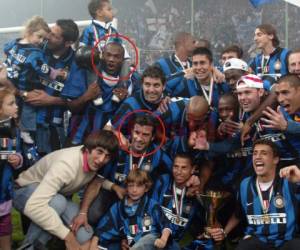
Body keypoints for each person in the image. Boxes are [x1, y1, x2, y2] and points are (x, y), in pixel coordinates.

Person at [13, 130, 119, 250]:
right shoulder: (66, 165)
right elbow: (34, 206)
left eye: (107, 156)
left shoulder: (91, 160)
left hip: (55, 196)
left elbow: (95, 179)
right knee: (58, 203)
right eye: (99, 152)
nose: (101, 160)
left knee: (84, 234)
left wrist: (114, 187)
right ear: (88, 148)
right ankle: (30, 247)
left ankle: (50, 242)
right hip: (24, 191)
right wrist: (68, 237)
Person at [209, 139, 300, 250]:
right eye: (255, 153)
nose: (258, 156)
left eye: (264, 153)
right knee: (245, 245)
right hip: (257, 241)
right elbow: (238, 214)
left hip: (287, 242)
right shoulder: (245, 184)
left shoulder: (289, 181)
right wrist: (224, 232)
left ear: (275, 159)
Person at [3, 16, 66, 159]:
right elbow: (43, 69)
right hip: (24, 86)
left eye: (44, 38)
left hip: (11, 83)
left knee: (13, 108)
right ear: (29, 32)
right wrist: (56, 73)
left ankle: (16, 135)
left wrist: (12, 63)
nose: (41, 41)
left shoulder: (15, 43)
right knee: (29, 105)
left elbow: (6, 49)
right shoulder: (34, 52)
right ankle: (25, 131)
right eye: (39, 37)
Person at [95, 169, 172, 250]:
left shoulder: (152, 205)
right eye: (131, 185)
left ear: (146, 188)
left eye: (139, 186)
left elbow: (166, 223)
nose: (134, 190)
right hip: (132, 245)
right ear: (126, 186)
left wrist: (163, 240)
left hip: (152, 243)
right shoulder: (118, 207)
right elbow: (104, 228)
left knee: (148, 239)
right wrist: (95, 242)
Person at [151, 153, 199, 250]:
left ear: (193, 169)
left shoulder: (195, 192)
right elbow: (151, 209)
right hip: (154, 236)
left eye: (184, 168)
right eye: (176, 167)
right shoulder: (163, 181)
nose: (178, 172)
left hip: (174, 243)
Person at [0, 87, 22, 250]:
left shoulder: (13, 130)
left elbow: (16, 153)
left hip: (4, 191)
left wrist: (17, 159)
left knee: (5, 225)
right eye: (11, 103)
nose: (17, 106)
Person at [111, 65, 166, 131]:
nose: (151, 90)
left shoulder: (168, 101)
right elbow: (110, 129)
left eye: (156, 85)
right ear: (142, 84)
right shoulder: (130, 105)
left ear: (164, 86)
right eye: (147, 85)